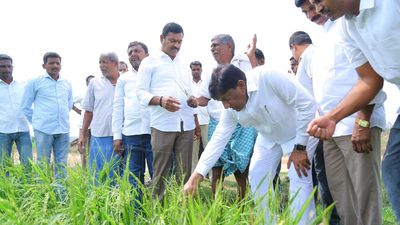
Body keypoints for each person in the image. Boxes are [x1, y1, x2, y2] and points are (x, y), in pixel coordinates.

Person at [185, 64, 318, 224]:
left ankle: (305, 222)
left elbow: (307, 104)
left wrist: (300, 147)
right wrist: (196, 175)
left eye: (227, 98)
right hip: (268, 136)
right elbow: (218, 139)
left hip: (299, 132)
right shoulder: (230, 110)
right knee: (256, 174)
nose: (226, 106)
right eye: (222, 101)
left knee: (298, 176)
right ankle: (268, 222)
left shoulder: (268, 76)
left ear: (241, 85)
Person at [296, 2, 388, 224]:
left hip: (356, 127)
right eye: (307, 11)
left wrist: (363, 120)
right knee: (343, 202)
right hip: (331, 133)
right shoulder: (321, 41)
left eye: (314, 5)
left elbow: (372, 74)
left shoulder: (351, 25)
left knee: (366, 200)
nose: (313, 13)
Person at [136, 22, 199, 200]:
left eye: (180, 41)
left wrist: (192, 101)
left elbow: (188, 92)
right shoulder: (149, 62)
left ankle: (183, 211)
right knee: (160, 173)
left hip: (185, 125)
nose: (176, 45)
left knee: (185, 172)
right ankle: (158, 212)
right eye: (172, 40)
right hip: (162, 125)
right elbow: (140, 93)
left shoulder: (183, 64)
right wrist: (161, 100)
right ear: (162, 38)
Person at [194, 34, 258, 200]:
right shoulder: (210, 72)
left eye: (216, 45)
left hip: (244, 123)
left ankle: (241, 203)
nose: (212, 48)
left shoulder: (244, 62)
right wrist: (194, 101)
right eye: (211, 46)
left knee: (242, 166)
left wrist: (251, 56)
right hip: (219, 121)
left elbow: (257, 79)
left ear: (229, 46)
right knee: (216, 165)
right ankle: (216, 205)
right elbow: (203, 98)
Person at [21, 52, 72, 185]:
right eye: (51, 63)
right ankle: (42, 196)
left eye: (58, 63)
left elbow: (69, 104)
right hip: (43, 130)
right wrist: (37, 123)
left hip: (63, 130)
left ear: (61, 65)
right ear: (44, 65)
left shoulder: (66, 83)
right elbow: (25, 106)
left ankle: (61, 197)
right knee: (43, 164)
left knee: (62, 165)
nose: (55, 66)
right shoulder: (35, 82)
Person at [112, 41, 153, 191]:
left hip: (154, 132)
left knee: (159, 176)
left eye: (137, 51)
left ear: (147, 55)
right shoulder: (123, 79)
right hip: (130, 134)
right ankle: (136, 212)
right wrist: (117, 136)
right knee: (133, 177)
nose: (133, 54)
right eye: (130, 52)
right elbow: (117, 107)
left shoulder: (156, 74)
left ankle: (159, 212)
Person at [79, 52, 120, 182]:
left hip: (121, 136)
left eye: (105, 62)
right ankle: (97, 200)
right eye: (100, 62)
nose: (101, 65)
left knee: (118, 172)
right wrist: (83, 135)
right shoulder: (94, 83)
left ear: (115, 63)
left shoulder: (125, 81)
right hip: (100, 135)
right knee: (98, 173)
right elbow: (88, 111)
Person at [0, 54, 32, 167]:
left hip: (23, 129)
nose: (6, 69)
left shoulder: (22, 85)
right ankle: (6, 185)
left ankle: (26, 185)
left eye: (9, 66)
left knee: (27, 163)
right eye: (2, 66)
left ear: (12, 67)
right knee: (4, 165)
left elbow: (29, 105)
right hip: (3, 131)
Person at [189, 61, 209, 171]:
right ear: (191, 70)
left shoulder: (206, 83)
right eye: (194, 69)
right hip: (192, 122)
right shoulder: (188, 84)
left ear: (201, 70)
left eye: (198, 69)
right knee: (193, 152)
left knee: (208, 150)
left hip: (206, 120)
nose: (196, 71)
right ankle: (193, 179)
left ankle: (212, 178)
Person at [74, 75, 94, 168]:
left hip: (96, 126)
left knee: (94, 149)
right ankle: (85, 172)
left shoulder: (99, 92)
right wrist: (78, 111)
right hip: (84, 125)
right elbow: (70, 102)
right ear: (86, 84)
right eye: (89, 82)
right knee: (84, 149)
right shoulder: (82, 93)